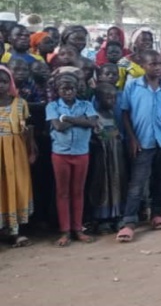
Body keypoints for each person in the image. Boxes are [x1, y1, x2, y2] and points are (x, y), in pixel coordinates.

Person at [116, 49, 161, 243]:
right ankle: (129, 222)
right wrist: (132, 138)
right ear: (143, 66)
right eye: (152, 64)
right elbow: (125, 114)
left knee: (160, 179)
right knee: (137, 183)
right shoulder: (132, 87)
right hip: (142, 142)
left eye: (160, 64)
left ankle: (157, 213)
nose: (157, 67)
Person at [46, 73, 99, 246]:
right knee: (62, 192)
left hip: (81, 153)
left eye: (71, 88)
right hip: (60, 154)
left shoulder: (86, 104)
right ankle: (65, 231)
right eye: (64, 88)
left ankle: (77, 229)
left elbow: (92, 123)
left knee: (78, 191)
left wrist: (68, 118)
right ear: (58, 90)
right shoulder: (52, 106)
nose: (68, 92)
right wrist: (80, 120)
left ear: (77, 89)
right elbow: (58, 127)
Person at [0, 65, 37, 247]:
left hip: (16, 154)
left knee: (15, 187)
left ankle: (15, 232)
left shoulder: (20, 103)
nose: (0, 85)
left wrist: (32, 149)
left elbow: (27, 129)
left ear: (10, 83)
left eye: (4, 81)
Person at [88, 83, 127, 234]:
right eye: (108, 97)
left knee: (117, 184)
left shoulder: (112, 114)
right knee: (103, 186)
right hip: (102, 157)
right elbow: (98, 136)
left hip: (116, 156)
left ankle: (116, 216)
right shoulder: (94, 116)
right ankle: (102, 218)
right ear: (98, 98)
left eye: (114, 97)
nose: (112, 101)